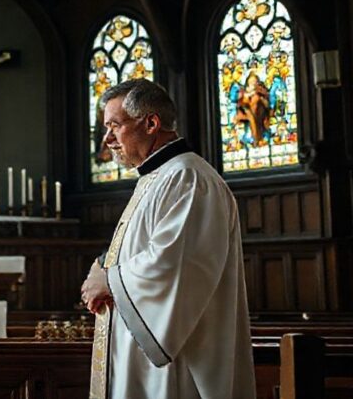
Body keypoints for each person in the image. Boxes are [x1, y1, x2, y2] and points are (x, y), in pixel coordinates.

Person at [80, 79, 255, 398]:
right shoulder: (159, 178)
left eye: (114, 126)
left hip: (178, 367)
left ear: (151, 123)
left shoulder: (189, 179)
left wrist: (108, 281)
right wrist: (105, 266)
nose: (108, 140)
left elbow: (180, 267)